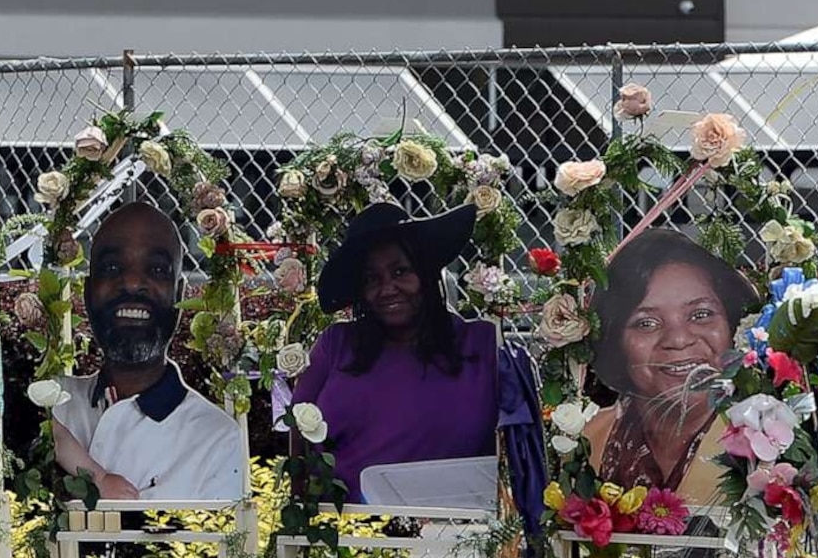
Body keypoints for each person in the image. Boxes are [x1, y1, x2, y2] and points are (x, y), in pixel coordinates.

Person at [285, 201, 505, 502]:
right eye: (371, 279)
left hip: (456, 534)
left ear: (426, 274)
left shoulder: (481, 345)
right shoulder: (335, 345)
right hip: (350, 534)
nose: (387, 288)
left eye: (400, 271)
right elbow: (298, 433)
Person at [48, 201, 247, 505]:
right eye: (112, 268)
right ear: (87, 293)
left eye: (156, 270)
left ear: (179, 294)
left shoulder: (214, 438)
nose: (132, 283)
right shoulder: (52, 402)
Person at [582, 232, 756, 505]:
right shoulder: (587, 440)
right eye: (647, 323)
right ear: (615, 340)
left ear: (733, 327)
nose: (678, 339)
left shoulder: (765, 442)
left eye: (701, 315)